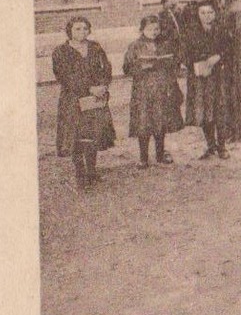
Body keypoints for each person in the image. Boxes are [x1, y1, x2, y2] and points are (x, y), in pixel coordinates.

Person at [51, 16, 112, 188]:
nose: (82, 32)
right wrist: (88, 88)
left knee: (92, 134)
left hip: (95, 99)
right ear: (69, 30)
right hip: (73, 99)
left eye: (85, 28)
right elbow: (64, 76)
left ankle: (92, 171)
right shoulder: (61, 52)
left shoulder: (95, 47)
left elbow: (106, 68)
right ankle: (80, 174)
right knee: (77, 137)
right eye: (77, 29)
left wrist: (103, 85)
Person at [123, 13, 181, 167]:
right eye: (150, 29)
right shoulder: (135, 46)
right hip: (143, 90)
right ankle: (143, 157)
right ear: (142, 29)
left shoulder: (165, 44)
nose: (154, 32)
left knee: (160, 121)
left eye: (156, 29)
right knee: (143, 122)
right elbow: (127, 68)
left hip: (162, 88)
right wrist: (142, 66)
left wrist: (169, 63)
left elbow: (176, 62)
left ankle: (160, 154)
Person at [183, 0, 232, 159]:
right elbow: (184, 54)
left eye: (210, 12)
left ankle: (222, 146)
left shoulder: (222, 30)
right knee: (204, 111)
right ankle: (211, 145)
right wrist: (195, 64)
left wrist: (218, 57)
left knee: (219, 110)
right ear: (197, 15)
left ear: (215, 13)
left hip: (218, 76)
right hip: (200, 77)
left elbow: (230, 49)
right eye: (203, 13)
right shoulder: (190, 32)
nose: (207, 16)